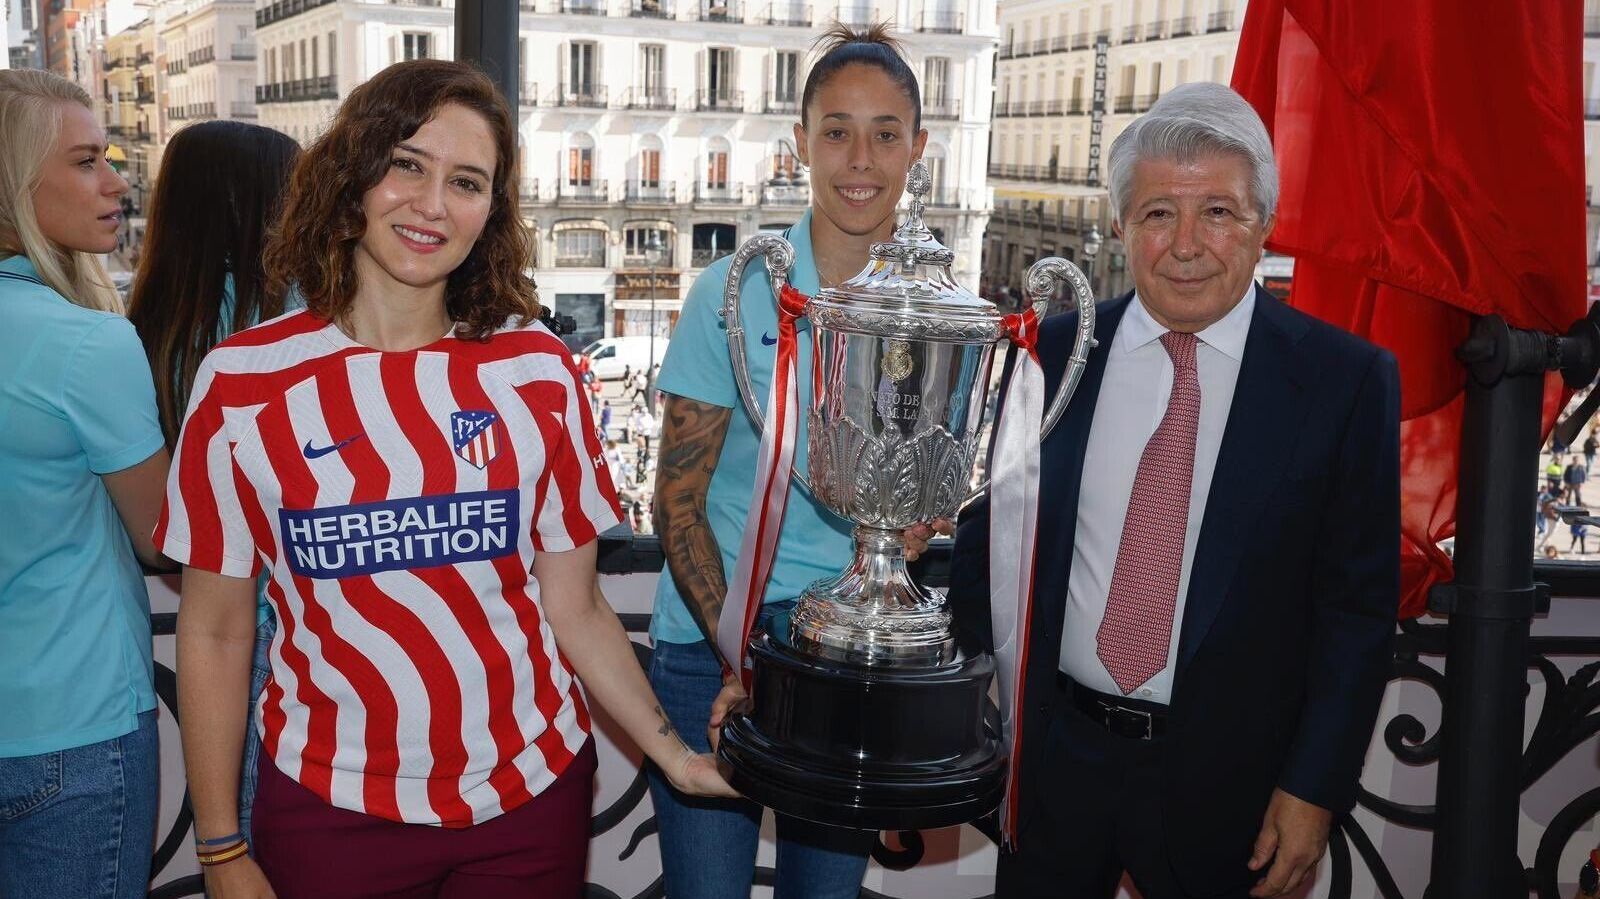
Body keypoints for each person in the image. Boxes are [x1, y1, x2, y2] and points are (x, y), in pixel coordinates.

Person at [157, 60, 733, 899]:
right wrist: (218, 847)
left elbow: (574, 606)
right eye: (406, 164)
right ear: (350, 175)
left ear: (489, 213)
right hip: (328, 808)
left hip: (529, 804)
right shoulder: (245, 381)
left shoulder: (536, 369)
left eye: (466, 182)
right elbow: (212, 631)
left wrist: (673, 754)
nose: (432, 204)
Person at [949, 83, 1400, 899]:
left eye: (1219, 213)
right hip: (1056, 767)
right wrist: (945, 733)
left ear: (1263, 225)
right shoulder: (1047, 358)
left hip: (1237, 785)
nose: (1187, 244)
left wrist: (1315, 789)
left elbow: (1356, 614)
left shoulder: (1345, 383)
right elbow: (990, 550)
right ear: (1121, 226)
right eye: (1159, 213)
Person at [647, 22, 948, 899]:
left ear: (918, 148)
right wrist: (746, 656)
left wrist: (913, 535)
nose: (861, 157)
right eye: (837, 129)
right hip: (712, 644)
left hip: (845, 656)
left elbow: (915, 494)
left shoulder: (935, 307)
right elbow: (677, 503)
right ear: (800, 144)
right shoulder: (735, 290)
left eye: (886, 132)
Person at [0, 68, 171, 899]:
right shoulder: (87, 347)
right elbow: (169, 539)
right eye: (85, 161)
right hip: (72, 729)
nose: (117, 180)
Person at [124, 118, 302, 848]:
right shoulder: (286, 328)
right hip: (292, 628)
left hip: (205, 626)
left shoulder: (143, 330)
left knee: (244, 849)